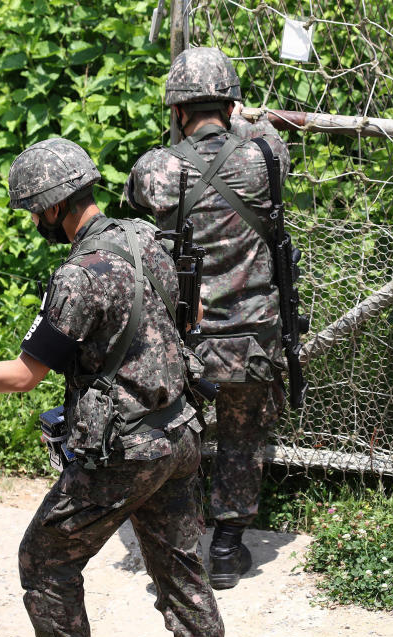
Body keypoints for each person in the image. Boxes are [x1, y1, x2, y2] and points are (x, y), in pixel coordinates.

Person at [0, 138, 224, 637]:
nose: (35, 223)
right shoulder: (148, 239)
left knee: (44, 562)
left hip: (126, 455)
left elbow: (23, 375)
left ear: (54, 207)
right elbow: (196, 316)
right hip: (181, 433)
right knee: (182, 574)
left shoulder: (80, 276)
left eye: (34, 212)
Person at [125, 47, 290, 590]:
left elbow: (136, 199)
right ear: (230, 102)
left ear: (177, 110)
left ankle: (177, 543)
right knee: (242, 439)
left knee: (177, 436)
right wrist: (251, 121)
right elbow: (267, 138)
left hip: (184, 336)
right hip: (251, 331)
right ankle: (226, 549)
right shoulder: (267, 155)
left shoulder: (158, 168)